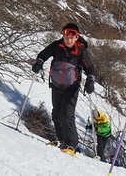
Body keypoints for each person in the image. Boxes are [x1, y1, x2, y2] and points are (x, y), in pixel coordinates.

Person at [31, 22, 96, 156]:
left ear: (76, 37)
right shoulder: (57, 46)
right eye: (66, 37)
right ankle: (60, 140)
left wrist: (90, 80)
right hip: (56, 84)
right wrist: (39, 62)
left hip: (72, 87)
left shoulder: (81, 50)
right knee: (56, 113)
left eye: (72, 37)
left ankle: (71, 144)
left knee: (67, 113)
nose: (68, 40)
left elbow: (89, 68)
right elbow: (43, 55)